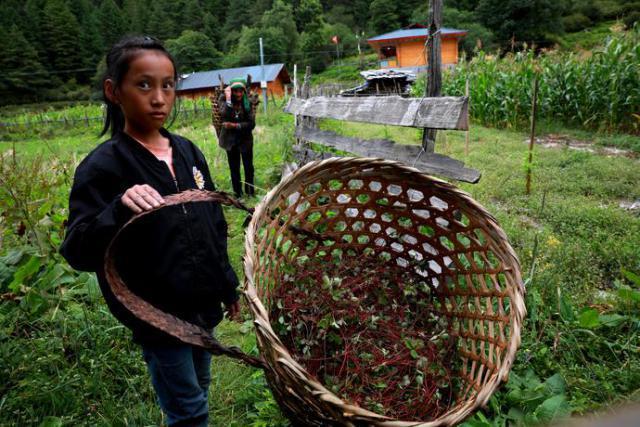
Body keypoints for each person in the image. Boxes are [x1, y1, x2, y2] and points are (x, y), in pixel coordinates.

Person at [59, 35, 240, 427]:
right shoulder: (104, 166)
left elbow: (214, 226)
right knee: (189, 410)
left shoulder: (188, 152)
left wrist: (227, 285)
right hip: (157, 316)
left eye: (168, 85)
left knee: (200, 387)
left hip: (202, 309)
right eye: (144, 85)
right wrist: (118, 208)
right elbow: (77, 249)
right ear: (114, 91)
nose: (159, 98)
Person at [218, 78, 256, 198]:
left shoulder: (248, 102)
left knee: (248, 167)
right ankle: (237, 194)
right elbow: (224, 114)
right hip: (230, 140)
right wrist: (228, 99)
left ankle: (250, 192)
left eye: (241, 91)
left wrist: (235, 125)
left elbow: (251, 124)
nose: (238, 94)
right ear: (231, 91)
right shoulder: (223, 99)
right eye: (235, 91)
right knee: (234, 168)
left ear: (244, 91)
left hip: (245, 140)